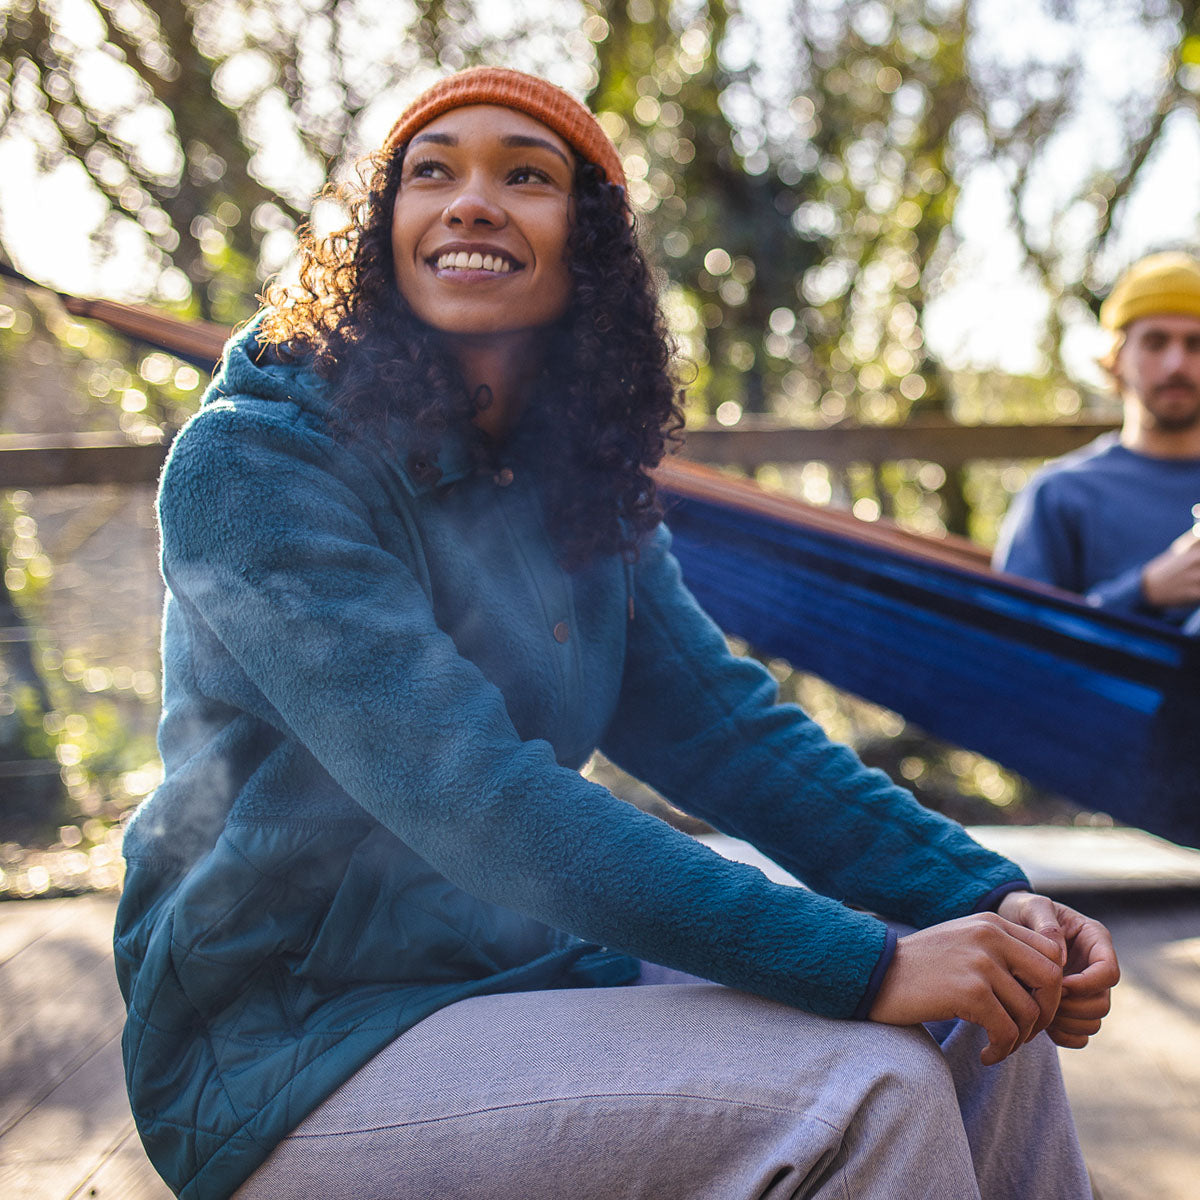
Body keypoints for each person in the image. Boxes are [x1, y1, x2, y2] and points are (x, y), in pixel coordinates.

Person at [115, 68, 1117, 1200]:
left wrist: (984, 900)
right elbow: (471, 796)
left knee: (993, 1017)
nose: (470, 199)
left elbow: (737, 736)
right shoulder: (256, 465)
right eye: (429, 171)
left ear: (587, 247)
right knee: (861, 1087)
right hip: (289, 1048)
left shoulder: (574, 484)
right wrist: (866, 964)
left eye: (524, 175)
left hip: (508, 965)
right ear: (378, 230)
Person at [994, 250, 1200, 629]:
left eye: (1195, 344)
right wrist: (1145, 591)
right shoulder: (1061, 494)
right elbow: (1016, 638)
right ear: (1117, 358)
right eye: (1155, 342)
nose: (1177, 364)